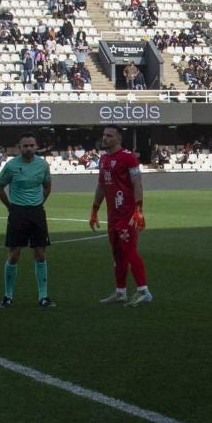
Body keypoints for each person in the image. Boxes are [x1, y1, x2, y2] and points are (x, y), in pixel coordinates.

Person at [90, 124, 150, 305]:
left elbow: (137, 183)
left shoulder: (128, 157)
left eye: (109, 135)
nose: (105, 138)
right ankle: (120, 292)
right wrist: (94, 210)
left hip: (127, 213)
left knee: (129, 250)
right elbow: (101, 185)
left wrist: (138, 210)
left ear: (119, 139)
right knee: (117, 253)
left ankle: (144, 291)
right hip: (112, 215)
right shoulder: (104, 159)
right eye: (103, 135)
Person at [0, 134, 55, 308]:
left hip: (36, 212)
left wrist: (39, 203)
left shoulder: (42, 165)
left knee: (40, 254)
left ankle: (43, 296)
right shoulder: (11, 166)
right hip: (18, 212)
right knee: (14, 255)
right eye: (25, 145)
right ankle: (8, 296)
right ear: (19, 147)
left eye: (31, 145)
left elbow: (47, 186)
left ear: (36, 146)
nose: (28, 148)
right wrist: (10, 206)